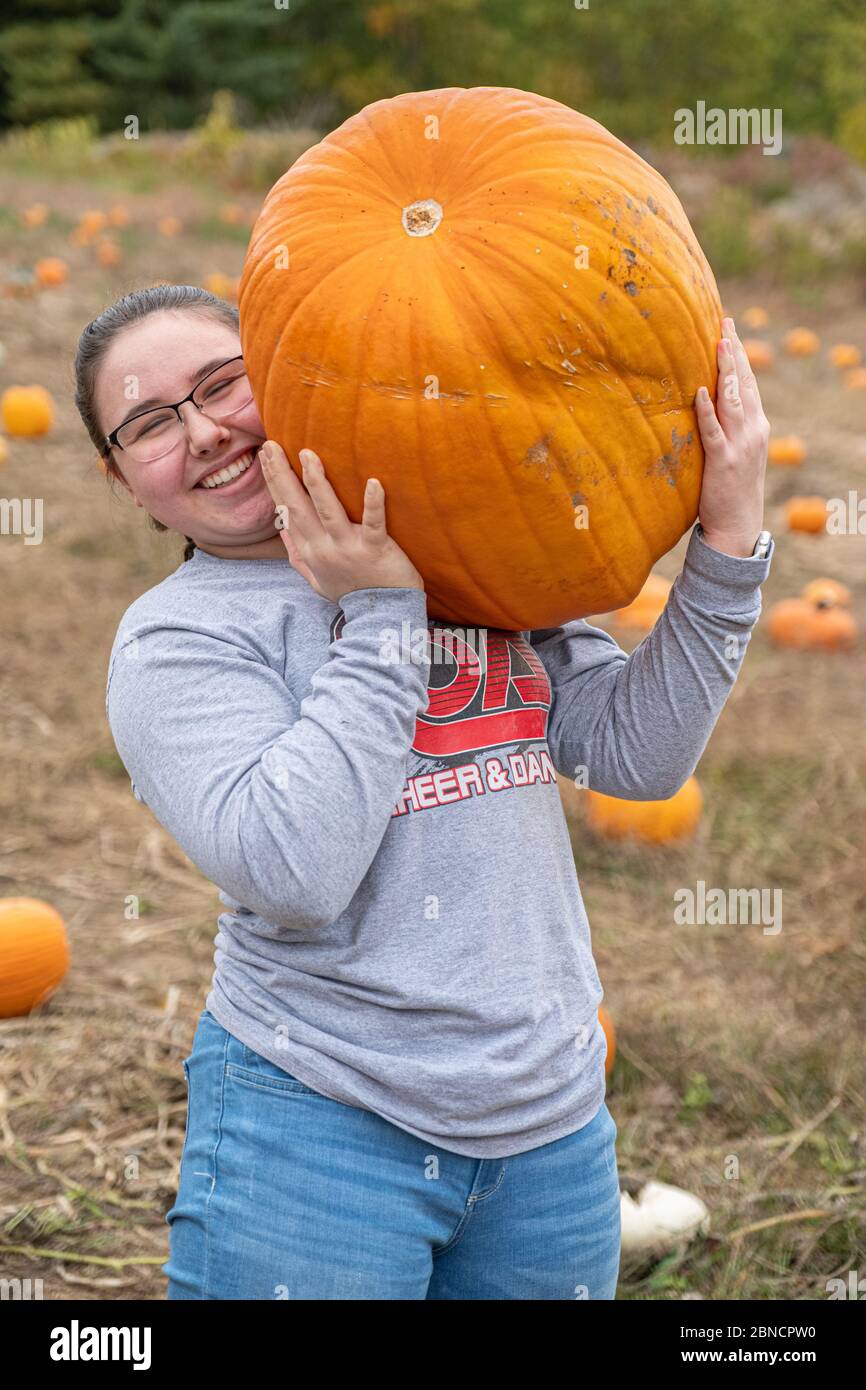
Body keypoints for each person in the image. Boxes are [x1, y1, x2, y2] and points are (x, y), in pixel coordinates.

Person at [75, 282, 773, 1300]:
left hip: (551, 1119)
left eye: (224, 385)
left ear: (287, 374)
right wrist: (384, 611)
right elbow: (294, 870)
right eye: (148, 424)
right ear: (122, 478)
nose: (203, 432)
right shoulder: (178, 639)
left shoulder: (468, 547)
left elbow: (632, 757)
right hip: (316, 1117)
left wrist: (726, 537)